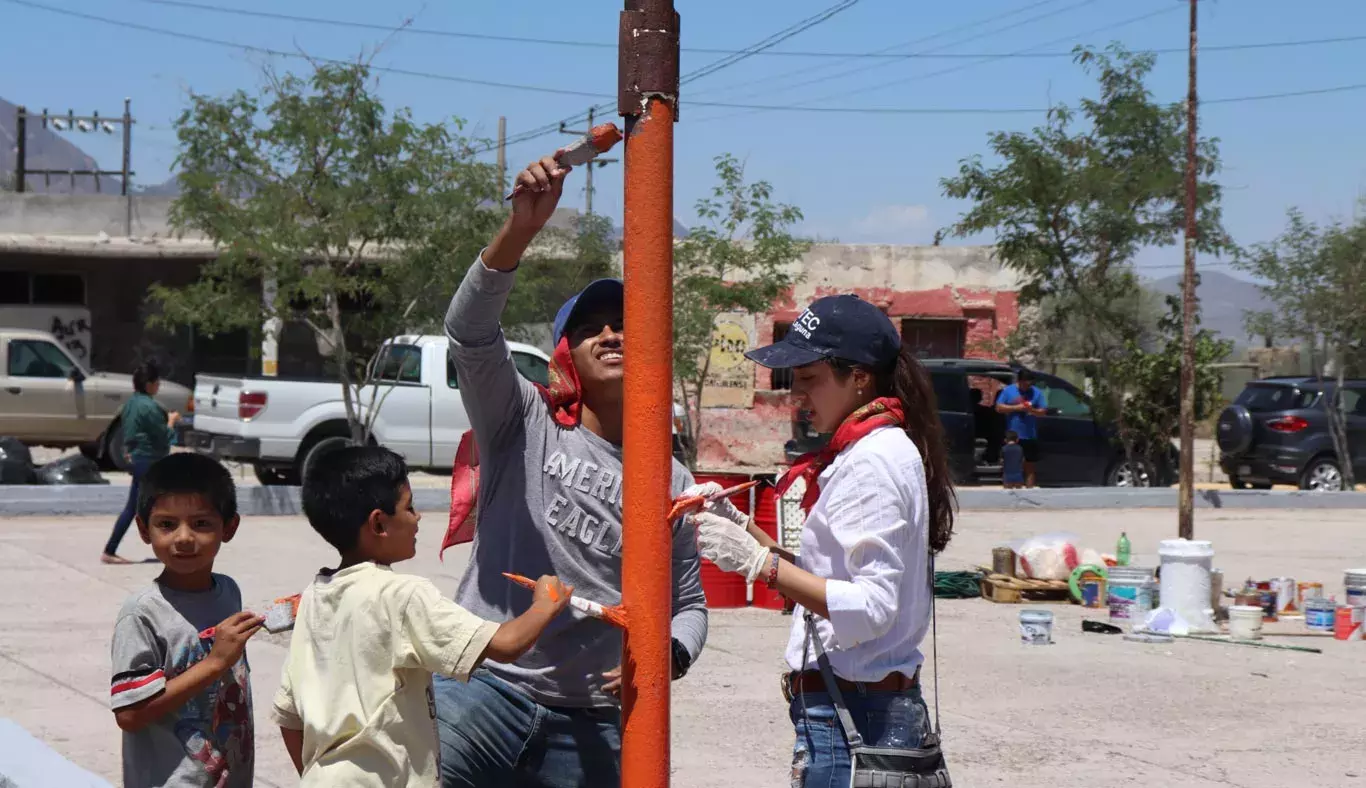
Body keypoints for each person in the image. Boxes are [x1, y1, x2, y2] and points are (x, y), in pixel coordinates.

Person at [434, 151, 709, 788]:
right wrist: (522, 229)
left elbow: (689, 603)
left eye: (625, 324)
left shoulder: (669, 480)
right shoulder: (522, 421)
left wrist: (671, 652)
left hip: (591, 721)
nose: (611, 334)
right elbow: (469, 332)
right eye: (590, 328)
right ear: (566, 355)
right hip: (482, 692)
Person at [685, 294, 957, 788]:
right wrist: (742, 527)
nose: (797, 396)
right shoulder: (873, 448)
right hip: (856, 705)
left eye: (809, 379)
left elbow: (871, 608)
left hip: (857, 713)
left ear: (859, 378)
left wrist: (759, 566)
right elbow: (827, 579)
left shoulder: (872, 461)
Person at [271, 446, 573, 786]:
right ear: (379, 523)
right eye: (409, 507)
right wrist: (544, 605)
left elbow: (289, 717)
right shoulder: (403, 595)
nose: (418, 518)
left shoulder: (314, 597)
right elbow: (505, 644)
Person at [109, 453, 259, 788]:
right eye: (166, 524)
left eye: (202, 523)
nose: (184, 538)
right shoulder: (143, 614)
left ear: (229, 527)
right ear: (144, 529)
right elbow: (130, 714)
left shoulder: (228, 591)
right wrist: (215, 662)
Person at [104, 360, 181, 564]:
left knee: (136, 507)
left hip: (138, 460)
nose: (159, 386)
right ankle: (171, 549)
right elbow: (164, 436)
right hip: (151, 462)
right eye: (157, 382)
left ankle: (110, 550)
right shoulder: (150, 407)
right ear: (149, 384)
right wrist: (171, 421)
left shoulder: (129, 404)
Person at [995, 369, 1047, 488]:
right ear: (1019, 381)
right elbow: (998, 408)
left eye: (1029, 384)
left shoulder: (1036, 393)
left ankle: (1029, 491)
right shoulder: (1008, 391)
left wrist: (1032, 410)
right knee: (1010, 466)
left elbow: (1043, 411)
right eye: (1024, 384)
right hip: (1013, 435)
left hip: (1029, 435)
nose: (1027, 387)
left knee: (1029, 466)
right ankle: (1008, 491)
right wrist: (1017, 408)